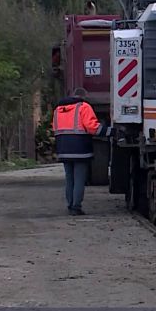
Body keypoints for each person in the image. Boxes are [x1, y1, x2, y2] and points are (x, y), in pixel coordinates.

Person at [52, 87, 108, 216]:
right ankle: (76, 207)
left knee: (69, 179)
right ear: (84, 96)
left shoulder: (58, 110)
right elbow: (92, 127)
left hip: (63, 148)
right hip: (80, 148)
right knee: (79, 179)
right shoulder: (84, 107)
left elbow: (55, 127)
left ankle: (70, 204)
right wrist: (109, 131)